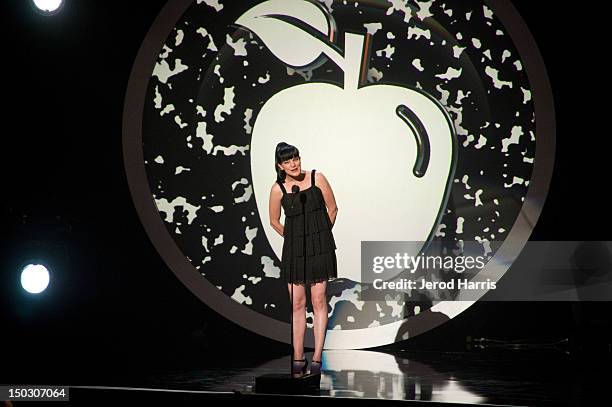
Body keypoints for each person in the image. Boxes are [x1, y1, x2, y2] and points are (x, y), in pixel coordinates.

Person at [269, 142, 338, 376]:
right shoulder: (278, 188)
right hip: (295, 252)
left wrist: (321, 236)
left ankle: (317, 357)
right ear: (280, 165)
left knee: (318, 301)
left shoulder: (317, 178)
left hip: (320, 250)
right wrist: (294, 239)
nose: (293, 164)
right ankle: (298, 358)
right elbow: (274, 221)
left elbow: (333, 209)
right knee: (297, 304)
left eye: (295, 158)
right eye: (287, 161)